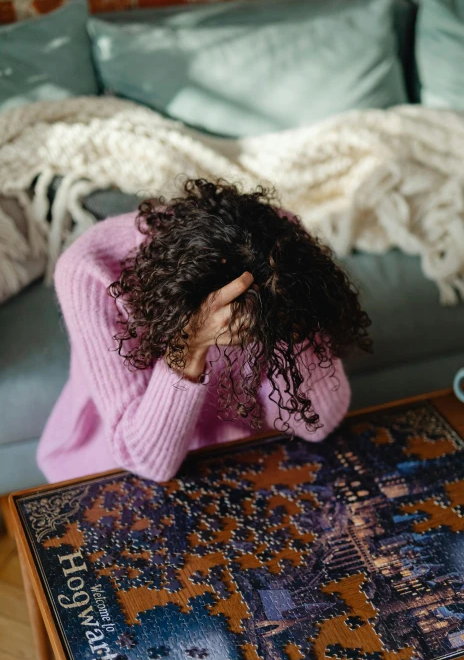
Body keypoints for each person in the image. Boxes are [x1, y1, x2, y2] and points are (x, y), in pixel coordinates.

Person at [37, 180, 371, 484]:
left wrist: (291, 320)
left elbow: (318, 424)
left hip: (243, 451)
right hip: (117, 462)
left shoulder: (278, 246)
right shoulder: (88, 269)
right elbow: (149, 462)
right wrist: (190, 346)